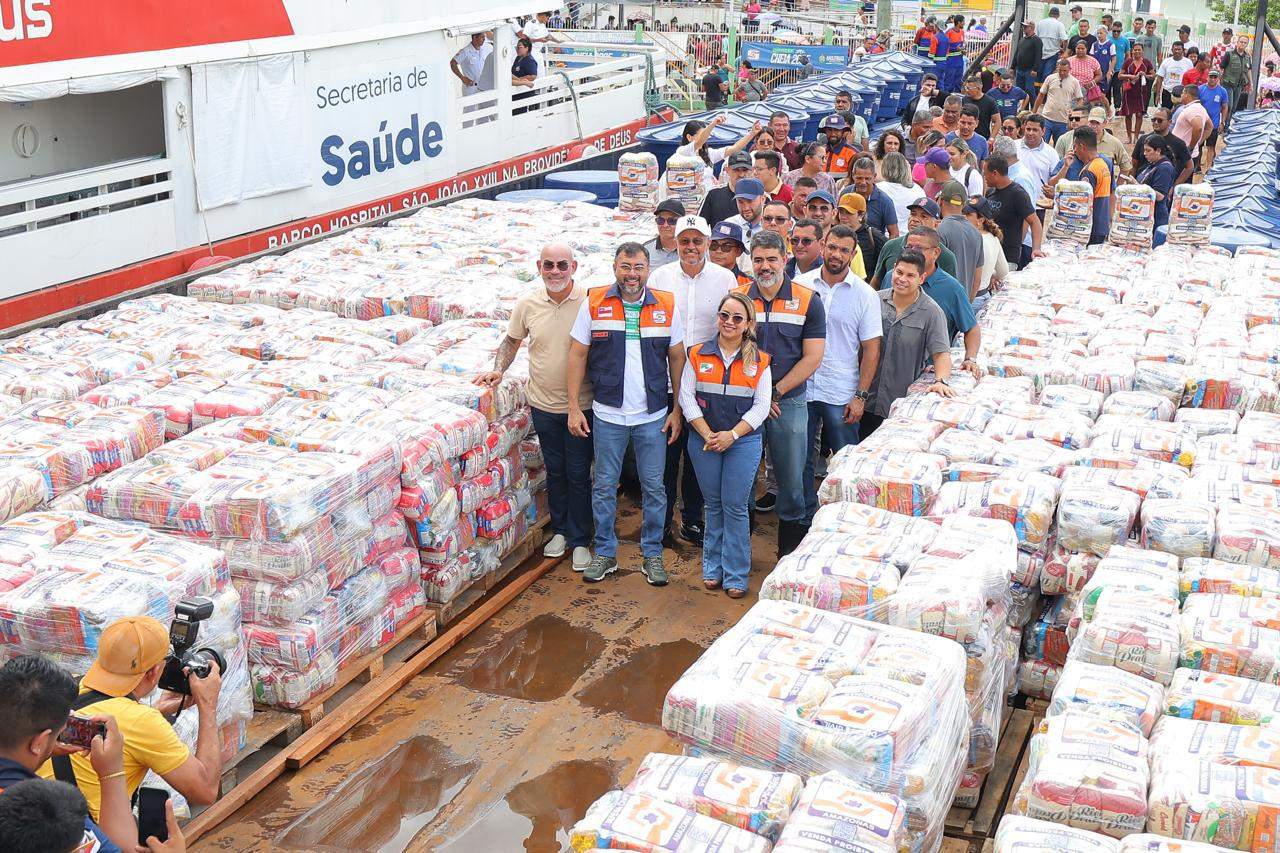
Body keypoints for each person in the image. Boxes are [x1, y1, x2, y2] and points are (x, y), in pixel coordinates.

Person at [566, 244, 684, 585]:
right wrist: (573, 407)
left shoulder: (666, 304)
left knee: (655, 487)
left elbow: (677, 357)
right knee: (604, 486)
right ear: (615, 267)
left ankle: (652, 554)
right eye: (625, 266)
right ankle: (605, 553)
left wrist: (677, 410)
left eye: (638, 267)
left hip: (652, 415)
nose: (632, 274)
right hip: (608, 415)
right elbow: (577, 354)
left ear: (648, 269)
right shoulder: (594, 302)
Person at [477, 243, 595, 572]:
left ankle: (581, 538)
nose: (555, 271)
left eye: (562, 265)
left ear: (574, 267)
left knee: (578, 472)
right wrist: (498, 370)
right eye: (548, 265)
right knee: (555, 470)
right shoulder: (528, 303)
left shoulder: (589, 301)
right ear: (539, 267)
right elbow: (512, 340)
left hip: (581, 405)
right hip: (543, 404)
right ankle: (560, 531)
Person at [36, 616, 224, 822]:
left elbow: (122, 722)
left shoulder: (68, 688)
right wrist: (207, 704)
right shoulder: (143, 722)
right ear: (154, 671)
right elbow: (205, 791)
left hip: (34, 821)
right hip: (88, 835)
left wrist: (158, 709)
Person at [735, 231, 825, 556]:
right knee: (743, 478)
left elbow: (813, 356)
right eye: (758, 259)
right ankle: (739, 552)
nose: (765, 266)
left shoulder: (807, 299)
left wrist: (774, 393)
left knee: (791, 478)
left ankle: (788, 555)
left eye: (772, 259)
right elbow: (730, 350)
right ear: (751, 261)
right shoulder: (738, 299)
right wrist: (759, 398)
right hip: (744, 404)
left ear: (785, 259)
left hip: (788, 401)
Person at [649, 215, 735, 547]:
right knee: (666, 457)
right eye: (684, 241)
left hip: (706, 382)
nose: (691, 247)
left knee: (701, 454)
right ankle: (662, 522)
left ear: (708, 244)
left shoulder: (725, 279)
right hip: (666, 381)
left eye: (697, 241)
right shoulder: (660, 277)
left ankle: (693, 520)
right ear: (677, 244)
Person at [679, 292, 770, 598]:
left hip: (742, 442)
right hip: (704, 441)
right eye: (724, 315)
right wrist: (707, 434)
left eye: (737, 318)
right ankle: (712, 568)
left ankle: (735, 574)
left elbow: (762, 406)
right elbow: (686, 397)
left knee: (735, 506)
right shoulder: (697, 354)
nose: (729, 322)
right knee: (714, 503)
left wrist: (732, 435)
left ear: (748, 324)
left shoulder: (760, 361)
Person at [0, 656, 134, 852]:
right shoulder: (37, 810)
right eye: (60, 731)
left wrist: (43, 749)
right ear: (39, 741)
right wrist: (111, 773)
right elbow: (123, 849)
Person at [795, 224, 882, 522]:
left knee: (846, 461)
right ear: (822, 246)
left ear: (853, 254)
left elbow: (871, 349)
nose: (837, 254)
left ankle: (845, 517)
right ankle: (804, 518)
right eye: (832, 247)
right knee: (800, 459)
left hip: (841, 390)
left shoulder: (865, 295)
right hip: (802, 386)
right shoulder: (800, 285)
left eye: (844, 250)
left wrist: (860, 396)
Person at [863, 250, 957, 437]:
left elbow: (941, 353)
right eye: (899, 272)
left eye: (910, 275)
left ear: (921, 278)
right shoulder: (873, 300)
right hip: (865, 398)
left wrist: (941, 381)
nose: (902, 279)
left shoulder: (931, 312)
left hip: (900, 404)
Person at [869, 197, 961, 286]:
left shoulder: (946, 256)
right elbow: (876, 283)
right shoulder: (891, 246)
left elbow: (950, 288)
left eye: (924, 216)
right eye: (913, 214)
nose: (915, 219)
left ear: (936, 224)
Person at [1045, 126, 1114, 245]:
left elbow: (1082, 202)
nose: (1074, 150)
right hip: (1100, 225)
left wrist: (1056, 195)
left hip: (1089, 228)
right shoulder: (1102, 164)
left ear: (1082, 146)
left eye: (1075, 146)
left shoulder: (1089, 170)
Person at [983, 153, 1043, 267]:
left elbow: (1034, 222)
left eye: (985, 173)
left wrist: (1036, 249)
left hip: (1008, 258)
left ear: (995, 173)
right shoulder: (990, 192)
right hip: (990, 255)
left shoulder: (1017, 193)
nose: (984, 177)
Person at [934, 180, 984, 299]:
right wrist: (966, 304)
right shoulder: (976, 233)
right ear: (963, 205)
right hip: (963, 301)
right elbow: (977, 279)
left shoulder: (939, 230)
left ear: (940, 201)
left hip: (942, 303)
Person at [1126, 134, 1177, 230]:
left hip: (1156, 217)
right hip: (1146, 213)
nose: (1144, 153)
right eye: (1144, 150)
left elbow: (1160, 196)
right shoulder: (1153, 164)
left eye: (1148, 150)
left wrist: (1138, 186)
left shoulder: (1165, 168)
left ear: (1158, 151)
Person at [964, 197, 1009, 304]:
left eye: (968, 214)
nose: (964, 217)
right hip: (984, 296)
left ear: (981, 220)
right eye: (963, 213)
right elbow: (1003, 271)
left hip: (971, 298)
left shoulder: (971, 239)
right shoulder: (993, 238)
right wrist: (989, 275)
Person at [840, 158, 900, 238]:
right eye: (859, 178)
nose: (863, 182)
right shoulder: (845, 193)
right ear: (853, 175)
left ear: (874, 177)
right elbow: (836, 221)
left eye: (867, 179)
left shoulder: (884, 201)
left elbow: (894, 234)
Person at [1134, 108, 1193, 185]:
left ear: (1169, 122)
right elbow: (1134, 163)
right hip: (1141, 185)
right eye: (1153, 120)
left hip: (1163, 186)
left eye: (1160, 120)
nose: (1156, 122)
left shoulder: (1178, 143)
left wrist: (1174, 186)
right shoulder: (1143, 139)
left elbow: (1189, 166)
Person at [1035, 58, 1085, 140]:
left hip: (1063, 120)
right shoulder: (1050, 78)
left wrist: (1075, 114)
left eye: (1064, 71)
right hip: (1047, 118)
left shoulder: (1074, 81)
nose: (1062, 73)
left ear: (1069, 69)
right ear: (1057, 68)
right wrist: (1034, 111)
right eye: (1060, 70)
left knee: (1059, 144)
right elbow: (1041, 95)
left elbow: (1080, 99)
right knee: (1042, 142)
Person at [700, 152, 754, 227]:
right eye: (736, 170)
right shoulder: (713, 195)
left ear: (752, 171)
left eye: (745, 170)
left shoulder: (760, 196)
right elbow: (700, 226)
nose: (741, 174)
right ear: (727, 170)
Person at [834, 194, 877, 279]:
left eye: (849, 213)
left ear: (861, 215)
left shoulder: (872, 235)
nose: (843, 216)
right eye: (841, 212)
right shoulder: (833, 234)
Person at [1118, 43, 1154, 144]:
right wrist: (1130, 76)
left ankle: (1136, 137)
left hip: (1141, 93)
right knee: (1128, 114)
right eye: (1135, 50)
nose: (1137, 52)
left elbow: (1153, 75)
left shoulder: (1146, 62)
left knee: (1139, 114)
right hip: (1129, 92)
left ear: (1142, 51)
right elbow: (1119, 75)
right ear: (1132, 51)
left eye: (1139, 50)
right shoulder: (1128, 62)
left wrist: (1145, 75)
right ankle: (1129, 136)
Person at [1171, 85, 1212, 173]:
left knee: (1178, 179)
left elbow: (1199, 127)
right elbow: (1209, 127)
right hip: (1185, 153)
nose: (1181, 95)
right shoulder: (1199, 108)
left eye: (1182, 93)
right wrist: (1198, 142)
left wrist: (1191, 147)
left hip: (1182, 155)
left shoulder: (1193, 109)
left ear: (1186, 94)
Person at [876, 153, 918, 234]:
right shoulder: (918, 190)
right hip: (909, 236)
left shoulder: (877, 189)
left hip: (885, 236)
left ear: (884, 168)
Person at [724, 177, 767, 253]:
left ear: (762, 199)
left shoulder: (774, 224)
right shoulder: (729, 224)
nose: (746, 208)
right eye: (740, 202)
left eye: (750, 201)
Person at [1199, 68, 1230, 171]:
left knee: (1211, 146)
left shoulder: (1222, 91)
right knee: (1198, 146)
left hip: (1214, 124)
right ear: (1207, 77)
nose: (1212, 79)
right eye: (1210, 77)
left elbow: (1225, 107)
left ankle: (1208, 168)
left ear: (1218, 79)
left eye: (1215, 77)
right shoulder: (1200, 89)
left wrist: (1222, 122)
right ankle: (1197, 167)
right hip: (1201, 123)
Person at [709, 221, 754, 287]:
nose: (718, 251)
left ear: (739, 251)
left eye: (726, 247)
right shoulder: (696, 278)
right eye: (714, 245)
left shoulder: (748, 284)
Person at [643, 199, 684, 268]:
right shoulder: (645, 250)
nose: (665, 225)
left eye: (671, 221)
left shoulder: (691, 250)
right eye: (661, 220)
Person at [1067, 38, 1106, 107]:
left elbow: (1099, 75)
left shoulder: (1093, 61)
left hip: (1088, 91)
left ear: (1087, 49)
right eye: (1078, 48)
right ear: (1075, 49)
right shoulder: (1069, 61)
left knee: (1086, 110)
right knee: (1073, 110)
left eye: (1083, 49)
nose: (1080, 50)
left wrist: (1092, 82)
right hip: (1072, 91)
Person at [1037, 6, 1070, 85]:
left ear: (1049, 14)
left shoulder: (1040, 23)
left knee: (1038, 74)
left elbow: (1036, 38)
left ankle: (1037, 91)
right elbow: (1065, 40)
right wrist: (1063, 50)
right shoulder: (1059, 24)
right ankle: (1045, 90)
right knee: (1047, 75)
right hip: (1052, 53)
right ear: (1058, 15)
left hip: (1040, 53)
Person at [1155, 41, 1193, 110]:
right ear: (1172, 50)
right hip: (1167, 92)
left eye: (1179, 49)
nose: (1177, 51)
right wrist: (1157, 95)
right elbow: (1160, 78)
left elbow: (1191, 78)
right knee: (1165, 113)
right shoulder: (1166, 61)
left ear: (1183, 50)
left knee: (1180, 112)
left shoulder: (1188, 62)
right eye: (1175, 49)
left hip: (1182, 93)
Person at [1013, 20, 1042, 95]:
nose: (1023, 28)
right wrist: (1012, 67)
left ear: (1031, 28)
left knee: (1029, 89)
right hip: (1020, 69)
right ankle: (1023, 103)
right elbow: (1017, 53)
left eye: (1025, 26)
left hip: (1029, 70)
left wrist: (1035, 69)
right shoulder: (1022, 39)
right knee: (1019, 90)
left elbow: (1038, 55)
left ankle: (1032, 103)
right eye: (1023, 26)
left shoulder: (1037, 40)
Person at [942, 16, 967, 93]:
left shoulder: (962, 32)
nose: (964, 23)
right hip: (951, 60)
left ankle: (957, 96)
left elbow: (962, 44)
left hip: (959, 59)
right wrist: (955, 48)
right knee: (949, 81)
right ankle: (947, 96)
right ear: (959, 22)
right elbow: (945, 46)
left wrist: (963, 50)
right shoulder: (949, 32)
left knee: (958, 80)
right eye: (963, 21)